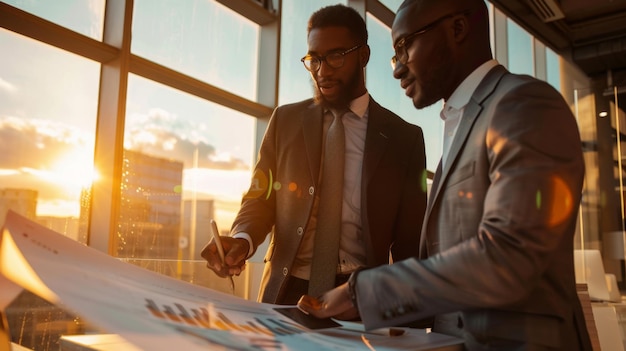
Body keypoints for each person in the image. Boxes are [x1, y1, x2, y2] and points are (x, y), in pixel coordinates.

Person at [297, 0, 593, 350]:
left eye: (405, 46)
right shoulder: (464, 120)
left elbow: (510, 255)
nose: (397, 69)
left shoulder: (523, 104)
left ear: (457, 29)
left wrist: (360, 293)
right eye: (396, 54)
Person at [201, 4, 427, 305]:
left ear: (363, 55)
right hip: (284, 292)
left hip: (359, 298)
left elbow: (409, 244)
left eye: (335, 57)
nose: (322, 71)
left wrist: (403, 322)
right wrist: (242, 240)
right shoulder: (285, 121)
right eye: (314, 59)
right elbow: (260, 197)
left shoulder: (404, 139)